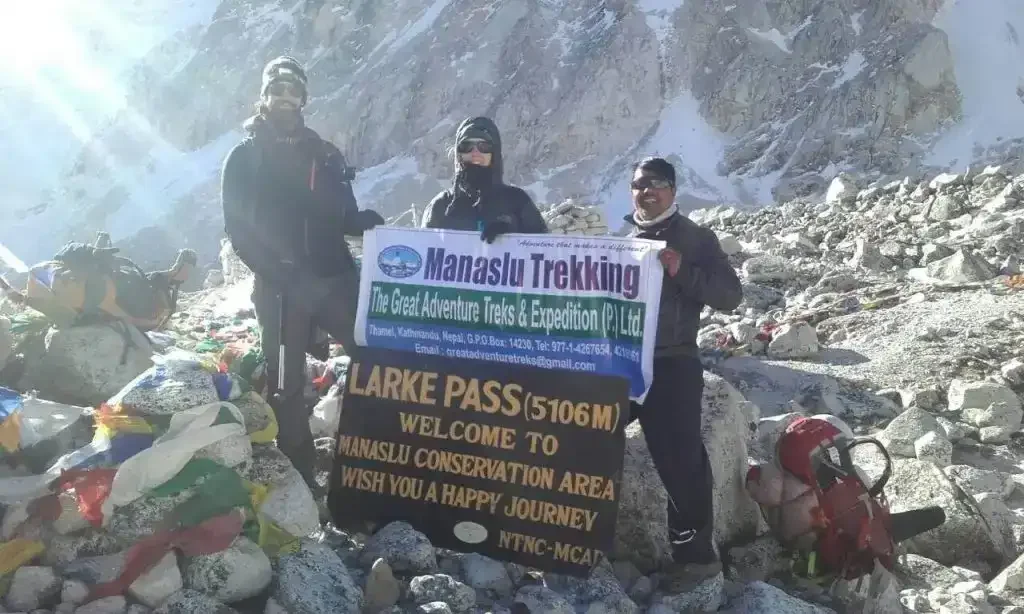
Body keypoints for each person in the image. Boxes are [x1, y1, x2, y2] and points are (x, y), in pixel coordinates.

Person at [220, 56, 384, 488]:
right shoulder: (244, 157)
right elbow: (238, 231)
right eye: (277, 90)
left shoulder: (325, 154)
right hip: (279, 287)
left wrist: (362, 220)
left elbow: (344, 216)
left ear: (305, 98)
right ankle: (302, 481)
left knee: (375, 359)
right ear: (264, 95)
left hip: (333, 279)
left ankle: (376, 463)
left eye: (293, 91)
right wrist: (277, 273)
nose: (285, 99)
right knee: (287, 386)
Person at [623, 157, 743, 587]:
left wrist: (683, 271)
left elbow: (731, 295)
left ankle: (696, 559)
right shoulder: (627, 240)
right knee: (588, 436)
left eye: (656, 184)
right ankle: (576, 538)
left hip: (674, 362)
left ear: (673, 191)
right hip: (623, 363)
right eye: (639, 184)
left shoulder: (696, 238)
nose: (646, 191)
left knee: (682, 461)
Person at [421, 116, 547, 239]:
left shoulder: (517, 201)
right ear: (459, 154)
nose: (475, 153)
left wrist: (513, 235)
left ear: (494, 153)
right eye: (467, 146)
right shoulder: (441, 205)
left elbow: (544, 251)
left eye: (484, 147)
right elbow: (423, 251)